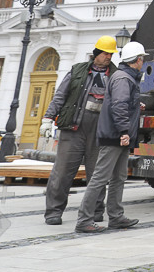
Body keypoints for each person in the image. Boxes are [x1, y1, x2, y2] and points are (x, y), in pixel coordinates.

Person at [41, 36, 116, 225]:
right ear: (96, 53)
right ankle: (53, 211)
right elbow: (60, 96)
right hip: (73, 127)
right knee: (62, 171)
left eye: (111, 54)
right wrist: (48, 119)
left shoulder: (116, 75)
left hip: (100, 131)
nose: (108, 57)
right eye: (105, 53)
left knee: (97, 173)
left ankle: (95, 210)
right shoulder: (78, 70)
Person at [75, 41, 146, 233]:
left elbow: (122, 102)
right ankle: (84, 220)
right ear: (137, 60)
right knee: (100, 177)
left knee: (119, 177)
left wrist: (135, 105)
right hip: (115, 135)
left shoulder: (125, 77)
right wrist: (124, 132)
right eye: (142, 59)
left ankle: (116, 217)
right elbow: (119, 105)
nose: (143, 62)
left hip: (118, 134)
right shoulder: (123, 78)